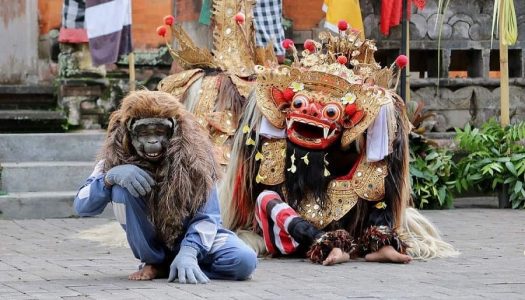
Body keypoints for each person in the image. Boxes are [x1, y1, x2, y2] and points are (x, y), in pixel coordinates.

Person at [220, 25, 458, 265]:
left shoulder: (371, 131)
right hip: (291, 226)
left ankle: (380, 242)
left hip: (351, 217)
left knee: (376, 172)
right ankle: (326, 243)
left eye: (330, 111)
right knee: (267, 200)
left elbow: (380, 173)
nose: (312, 112)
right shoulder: (273, 136)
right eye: (301, 104)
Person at [74, 91, 257, 283]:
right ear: (129, 132)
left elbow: (209, 216)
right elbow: (82, 206)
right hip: (152, 239)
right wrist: (109, 178)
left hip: (192, 236)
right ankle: (153, 261)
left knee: (244, 261)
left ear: (174, 131)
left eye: (159, 133)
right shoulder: (114, 157)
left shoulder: (196, 157)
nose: (153, 141)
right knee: (121, 190)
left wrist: (190, 251)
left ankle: (179, 265)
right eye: (144, 133)